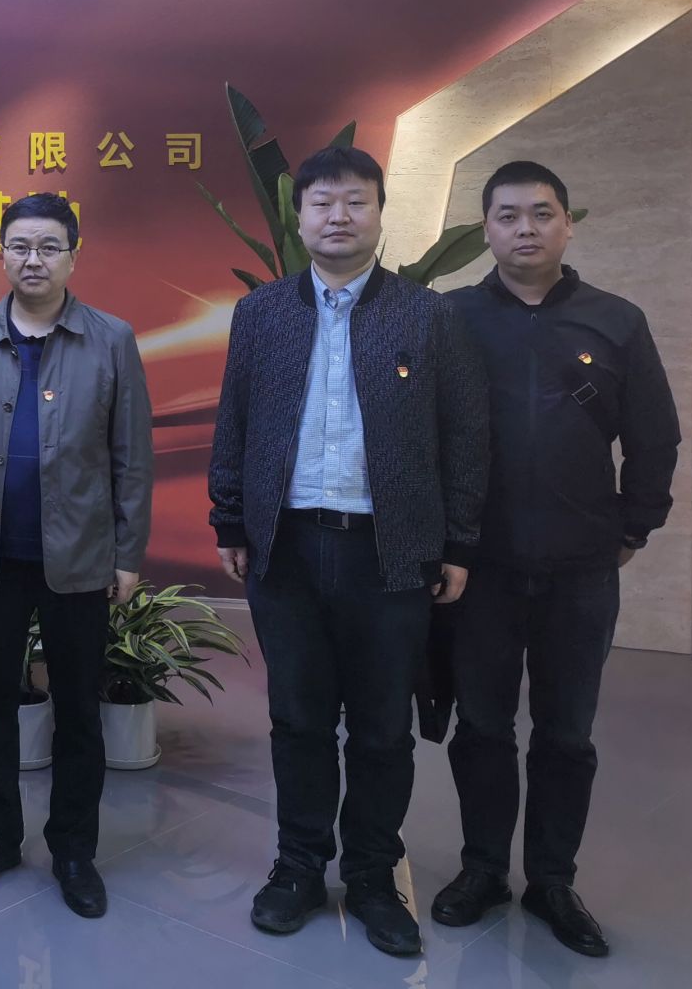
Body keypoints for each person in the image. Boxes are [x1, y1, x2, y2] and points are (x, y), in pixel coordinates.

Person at [206, 144, 487, 958]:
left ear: (379, 213)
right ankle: (298, 864)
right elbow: (235, 421)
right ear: (299, 218)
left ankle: (371, 874)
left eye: (355, 201)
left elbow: (465, 436)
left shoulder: (428, 315)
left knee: (381, 728)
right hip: (288, 549)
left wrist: (458, 541)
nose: (338, 216)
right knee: (297, 719)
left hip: (388, 553)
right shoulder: (262, 312)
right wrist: (231, 521)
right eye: (322, 203)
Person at [429, 161, 679, 957]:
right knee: (482, 726)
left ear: (568, 224)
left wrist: (635, 527)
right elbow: (422, 432)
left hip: (581, 567)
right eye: (508, 216)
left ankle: (552, 880)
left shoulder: (617, 320)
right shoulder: (451, 318)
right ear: (486, 229)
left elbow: (654, 435)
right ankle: (481, 869)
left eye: (542, 213)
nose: (525, 229)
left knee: (567, 733)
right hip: (479, 566)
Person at [0, 193, 154, 918]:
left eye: (48, 247)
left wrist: (128, 552)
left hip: (81, 557)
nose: (33, 260)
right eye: (19, 247)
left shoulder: (111, 338)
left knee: (78, 710)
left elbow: (131, 457)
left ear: (73, 254)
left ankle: (72, 849)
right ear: (2, 253)